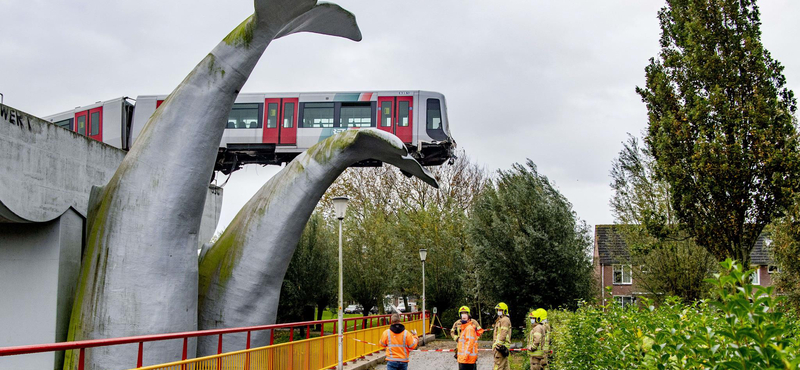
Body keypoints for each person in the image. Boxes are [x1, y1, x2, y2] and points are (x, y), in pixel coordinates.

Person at [492, 302, 512, 370]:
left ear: (504, 311)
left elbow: (503, 333)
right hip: (503, 346)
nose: (498, 312)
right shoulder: (501, 319)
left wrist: (498, 345)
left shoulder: (504, 320)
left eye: (500, 310)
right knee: (505, 366)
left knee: (498, 366)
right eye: (498, 310)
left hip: (501, 347)